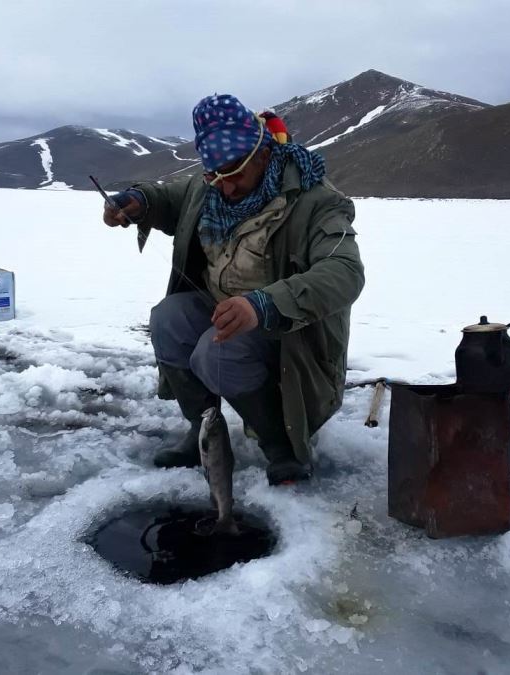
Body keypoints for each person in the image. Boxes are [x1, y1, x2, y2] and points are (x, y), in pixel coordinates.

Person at [102, 94, 364, 485]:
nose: (225, 188)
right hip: (226, 309)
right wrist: (139, 201)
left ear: (261, 152)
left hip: (289, 332)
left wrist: (264, 304)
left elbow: (345, 271)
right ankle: (204, 431)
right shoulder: (212, 187)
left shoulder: (318, 201)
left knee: (216, 352)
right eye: (214, 177)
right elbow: (171, 197)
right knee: (168, 319)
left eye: (234, 174)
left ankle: (280, 446)